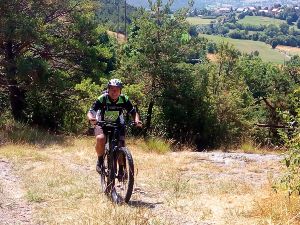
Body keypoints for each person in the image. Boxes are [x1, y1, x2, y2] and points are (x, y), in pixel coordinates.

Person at [87, 78, 142, 173]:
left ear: (120, 91)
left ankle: (121, 168)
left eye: (117, 89)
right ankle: (100, 161)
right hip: (102, 122)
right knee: (100, 139)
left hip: (117, 124)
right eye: (112, 89)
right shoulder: (103, 98)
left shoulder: (124, 99)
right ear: (108, 89)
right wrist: (91, 118)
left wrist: (136, 120)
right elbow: (91, 111)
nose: (114, 91)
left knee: (121, 144)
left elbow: (133, 112)